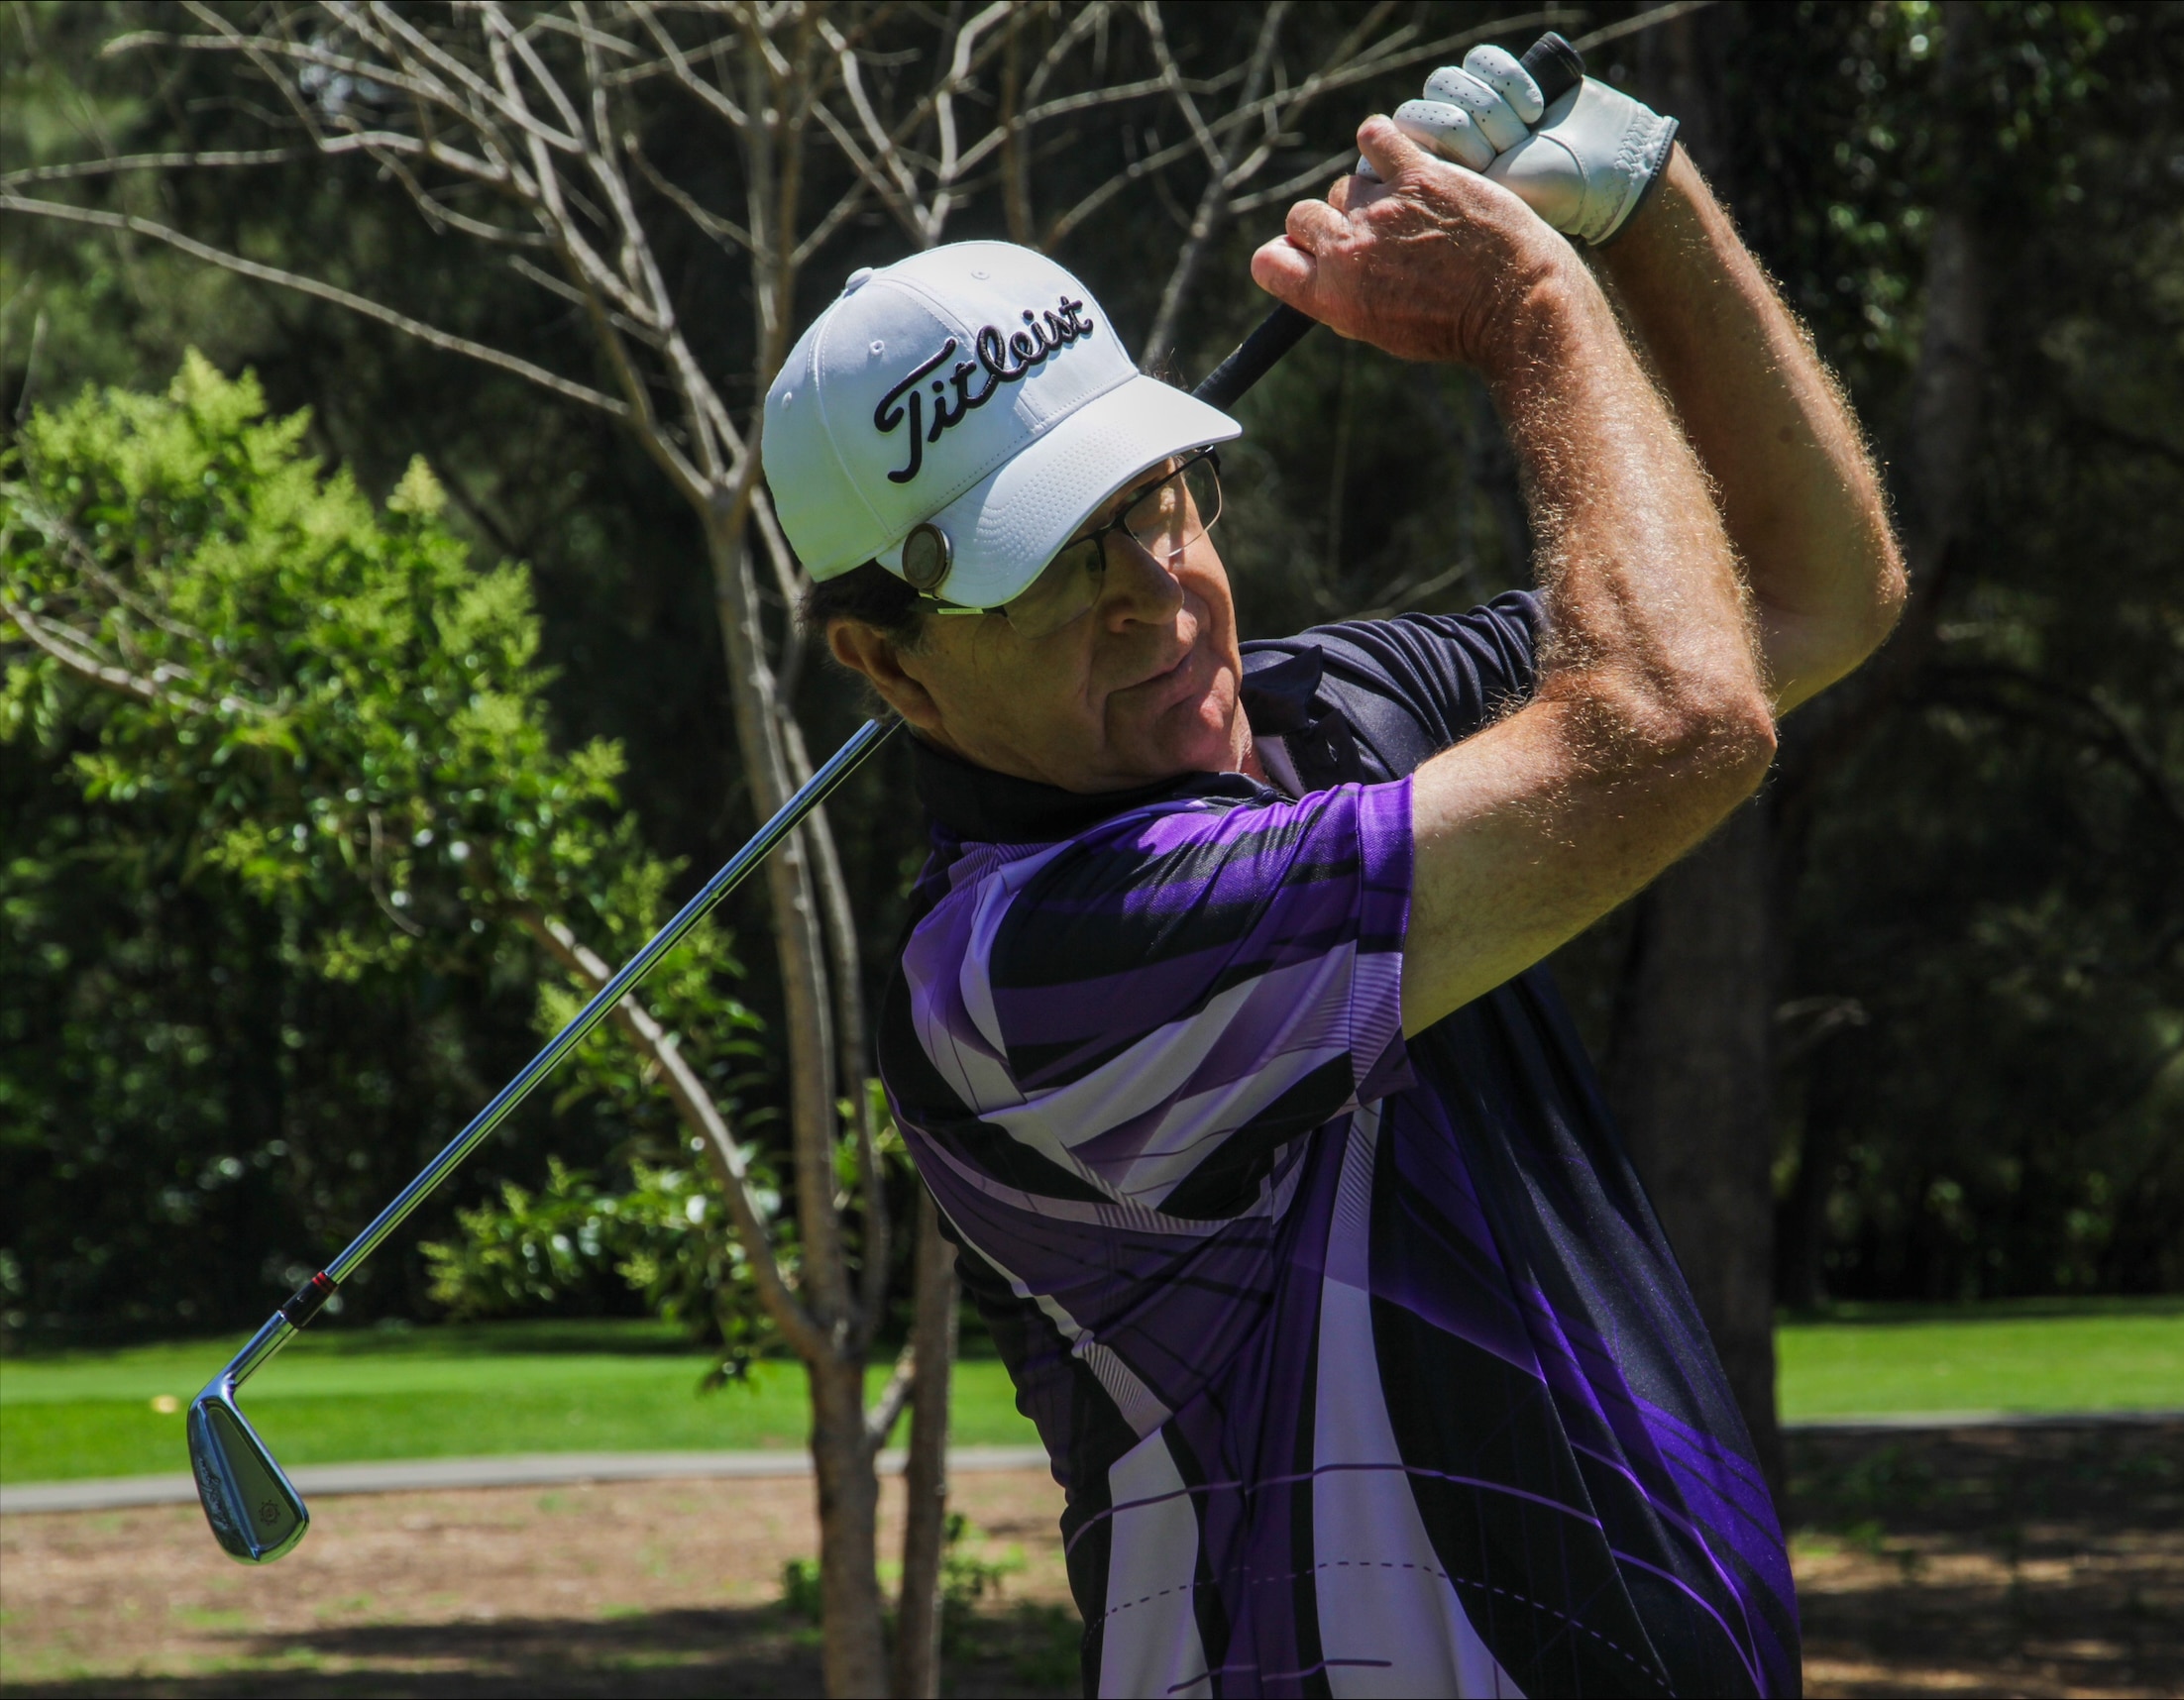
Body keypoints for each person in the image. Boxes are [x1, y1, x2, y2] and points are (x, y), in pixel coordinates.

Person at [762, 43, 1902, 1700]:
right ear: (889, 669)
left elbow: (1809, 596)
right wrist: (1536, 306)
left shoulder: (1334, 708)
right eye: (1042, 573)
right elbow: (1678, 722)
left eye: (1152, 503)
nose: (1152, 600)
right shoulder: (1025, 983)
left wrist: (1648, 205)